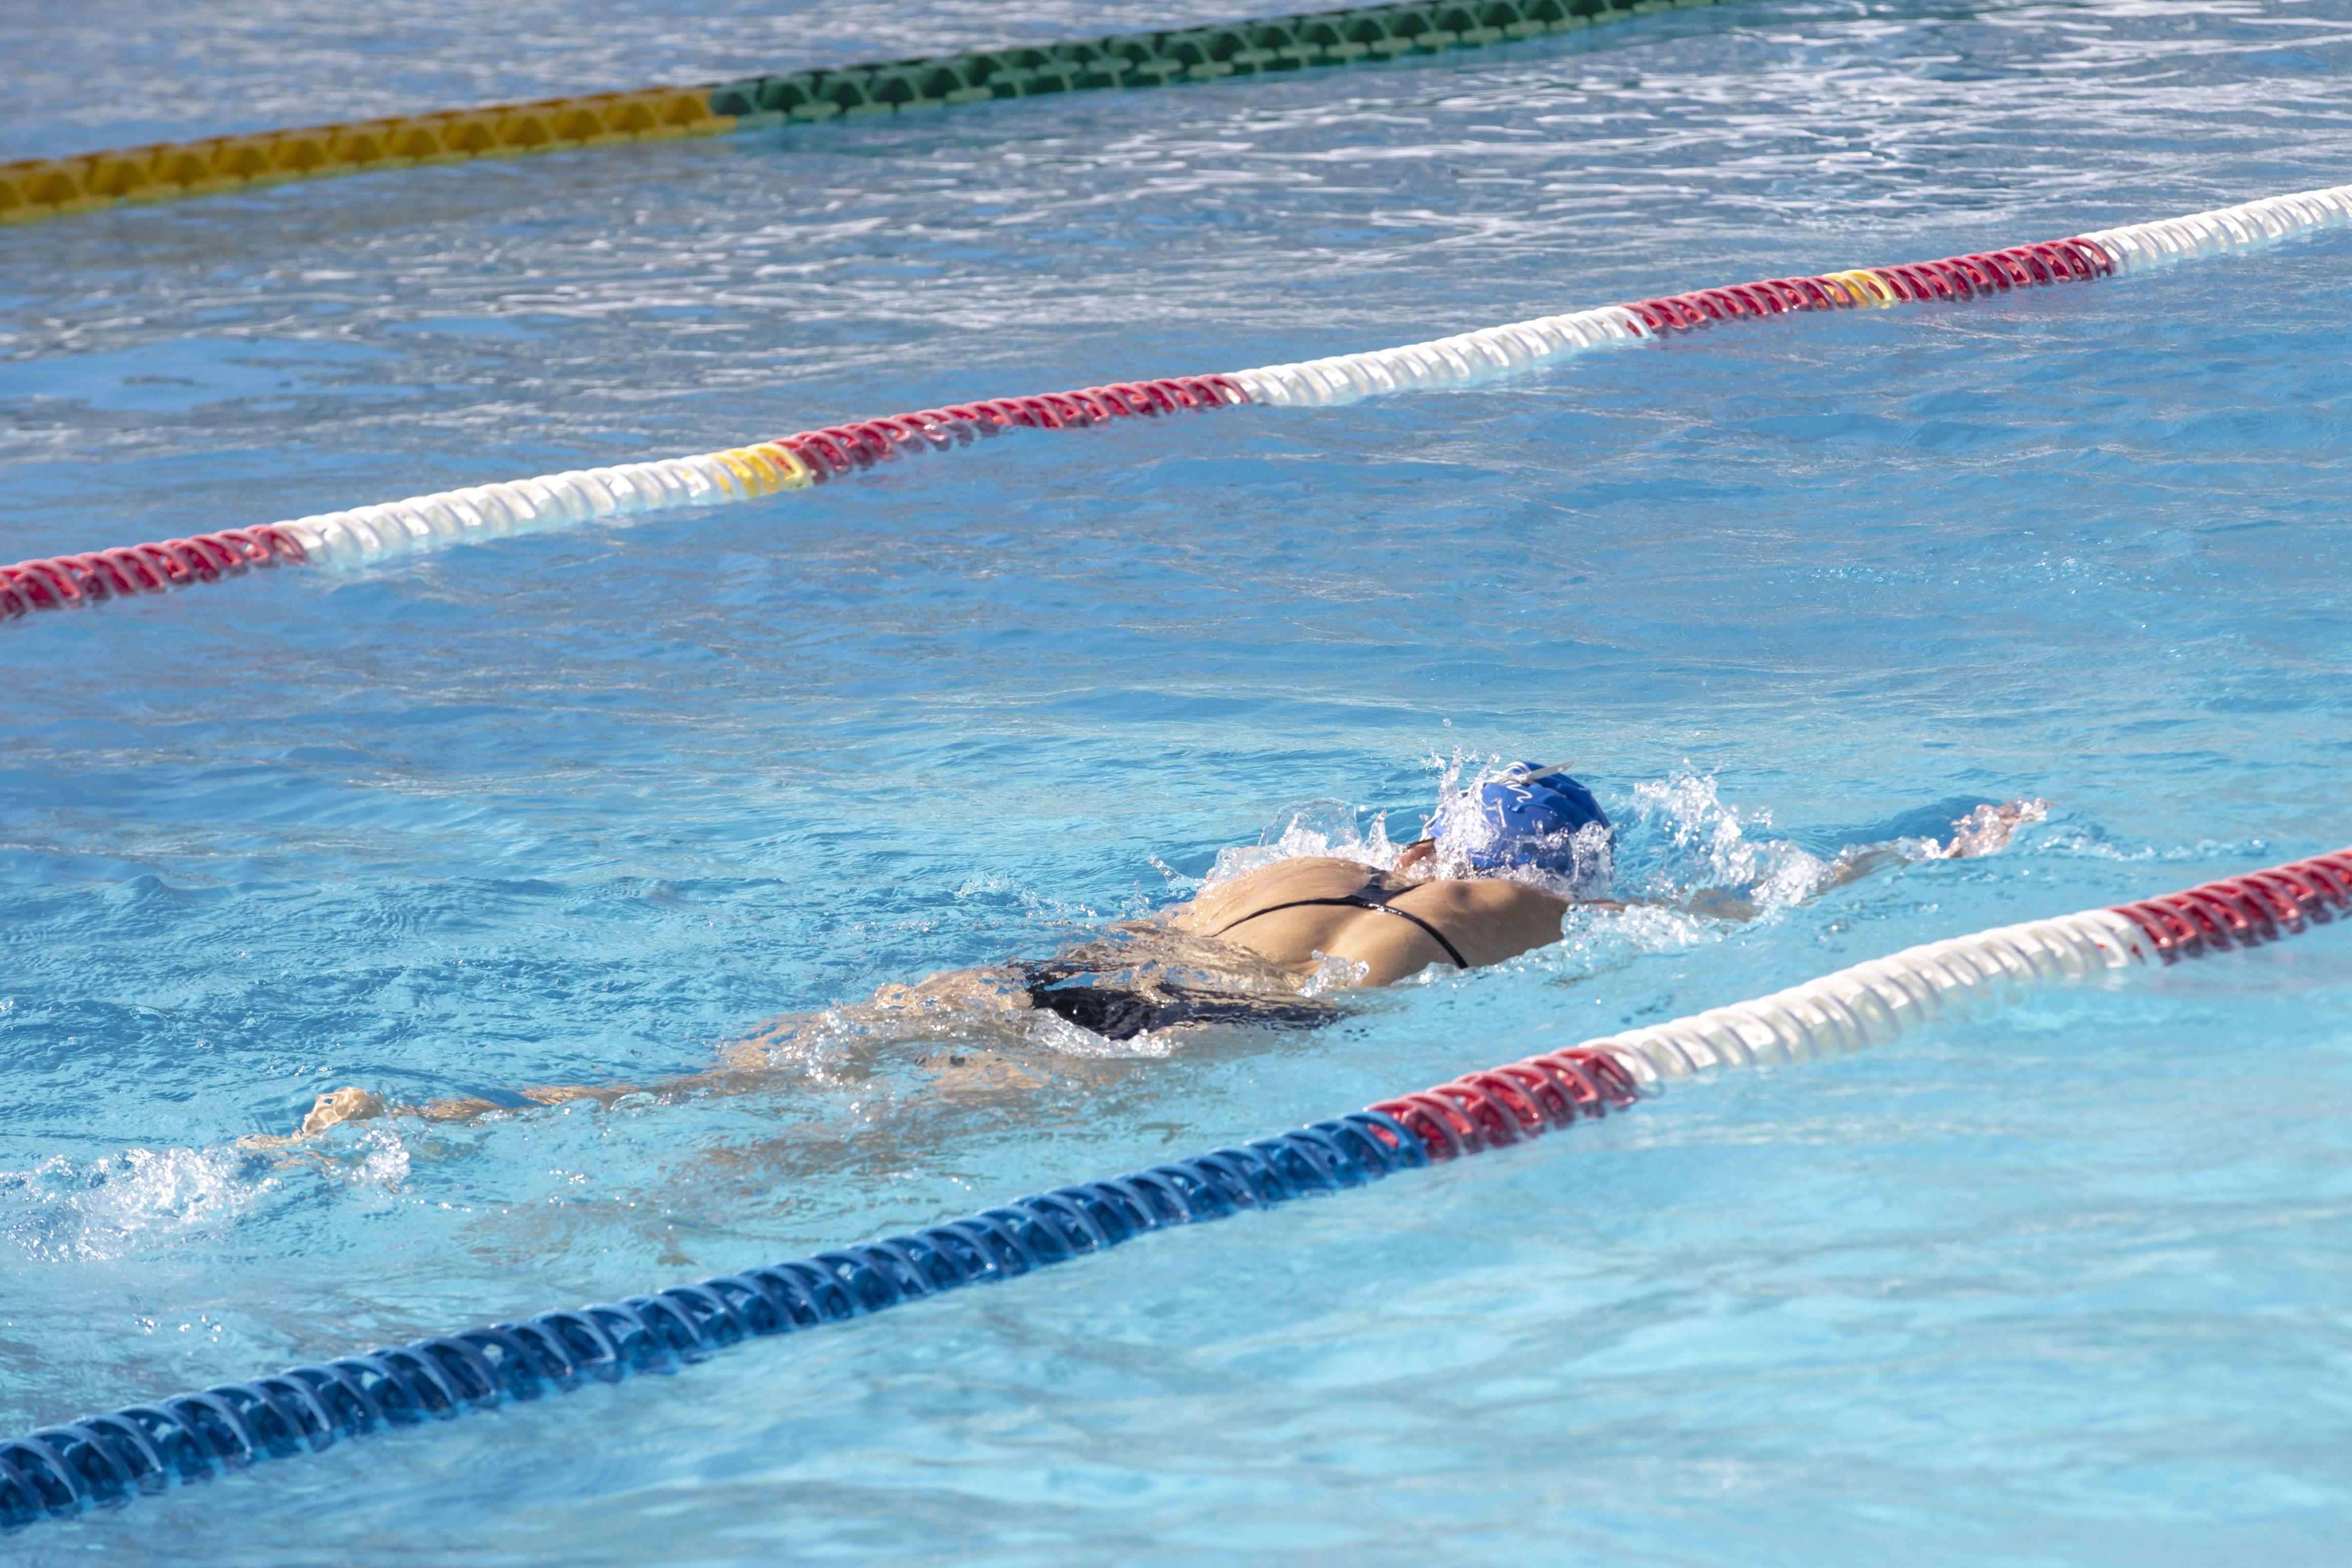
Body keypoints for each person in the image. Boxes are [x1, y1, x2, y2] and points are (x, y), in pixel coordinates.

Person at [264, 765, 2042, 1142]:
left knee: (776, 1069)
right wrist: (1936, 850)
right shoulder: (1539, 917)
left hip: (1097, 962)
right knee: (854, 1144)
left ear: (1431, 833)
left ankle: (501, 1103)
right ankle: (505, 1127)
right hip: (1220, 1026)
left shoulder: (1307, 856)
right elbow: (1767, 908)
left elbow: (1128, 931)